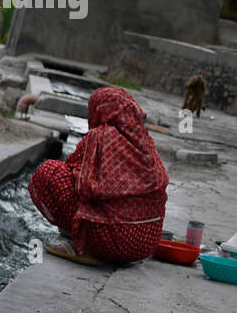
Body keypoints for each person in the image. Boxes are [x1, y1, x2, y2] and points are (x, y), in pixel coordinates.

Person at [28, 86, 169, 264]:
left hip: (110, 240)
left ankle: (80, 244)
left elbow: (80, 185)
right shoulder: (146, 141)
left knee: (48, 172)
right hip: (145, 244)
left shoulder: (99, 138)